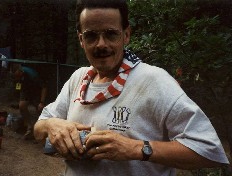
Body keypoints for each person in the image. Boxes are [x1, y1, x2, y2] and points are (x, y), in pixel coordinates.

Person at [34, 0, 229, 175]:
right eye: (91, 36)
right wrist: (53, 125)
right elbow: (39, 127)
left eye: (111, 34)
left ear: (126, 35)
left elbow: (209, 150)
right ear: (81, 40)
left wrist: (135, 149)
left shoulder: (154, 80)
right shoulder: (78, 78)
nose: (101, 44)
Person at [12, 63, 47, 140]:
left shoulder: (32, 75)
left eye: (18, 76)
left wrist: (42, 102)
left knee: (40, 109)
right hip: (26, 90)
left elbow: (44, 87)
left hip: (36, 90)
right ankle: (29, 127)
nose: (17, 77)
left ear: (21, 71)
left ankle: (42, 131)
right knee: (21, 105)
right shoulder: (16, 77)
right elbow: (19, 88)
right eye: (16, 77)